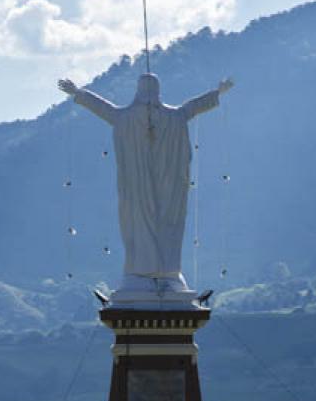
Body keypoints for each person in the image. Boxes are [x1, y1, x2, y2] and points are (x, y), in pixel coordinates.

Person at [58, 73, 234, 284]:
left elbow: (103, 108)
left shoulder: (126, 118)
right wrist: (217, 92)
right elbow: (193, 107)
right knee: (163, 225)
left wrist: (78, 93)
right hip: (165, 187)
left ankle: (145, 269)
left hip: (139, 188)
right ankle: (163, 269)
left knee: (140, 224)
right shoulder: (173, 117)